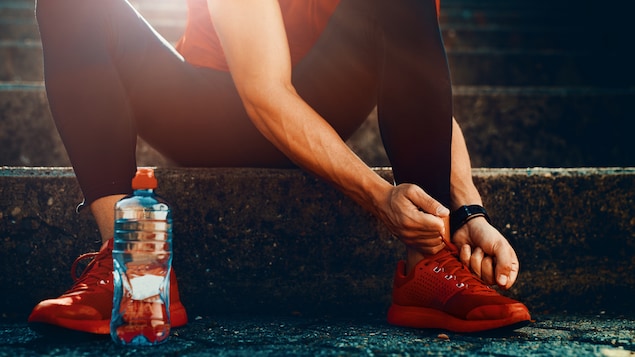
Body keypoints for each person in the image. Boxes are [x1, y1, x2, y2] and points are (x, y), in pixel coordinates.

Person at [29, 0, 531, 334]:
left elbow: (422, 91)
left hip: (321, 103)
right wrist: (380, 197)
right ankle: (134, 263)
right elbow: (265, 94)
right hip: (207, 111)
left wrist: (466, 212)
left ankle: (427, 264)